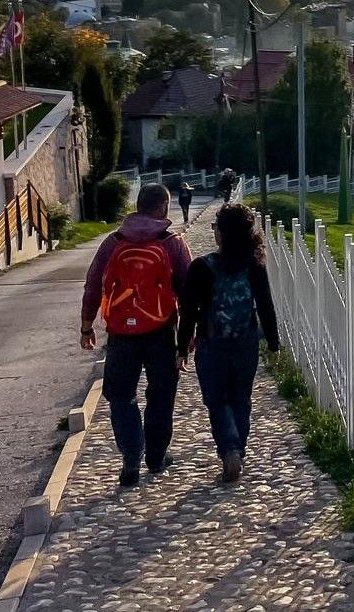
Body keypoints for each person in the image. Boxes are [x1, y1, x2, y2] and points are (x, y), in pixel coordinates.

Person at [81, 184, 192, 487]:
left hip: (120, 335)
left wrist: (87, 324)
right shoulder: (172, 243)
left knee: (120, 395)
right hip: (160, 330)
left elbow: (94, 284)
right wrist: (189, 336)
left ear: (138, 205)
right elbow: (188, 289)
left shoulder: (113, 242)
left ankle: (131, 456)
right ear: (163, 207)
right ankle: (156, 456)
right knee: (161, 394)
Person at [178, 204, 280, 482]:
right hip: (245, 343)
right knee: (240, 399)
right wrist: (273, 342)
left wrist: (181, 347)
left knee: (217, 400)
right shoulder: (254, 266)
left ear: (221, 233)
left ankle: (229, 448)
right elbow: (266, 307)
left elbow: (188, 311)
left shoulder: (201, 267)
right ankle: (239, 450)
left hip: (211, 344)